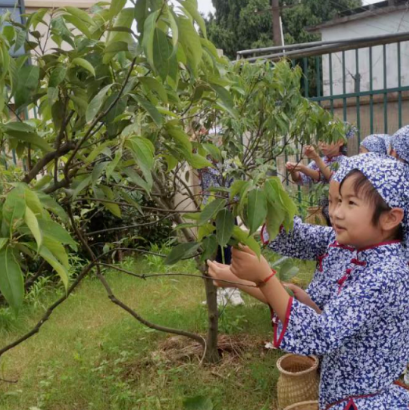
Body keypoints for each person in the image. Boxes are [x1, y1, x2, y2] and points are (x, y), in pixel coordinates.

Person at [210, 156, 409, 410]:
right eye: (334, 201)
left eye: (350, 203)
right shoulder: (349, 245)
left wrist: (263, 276)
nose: (335, 212)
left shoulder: (386, 274)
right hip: (341, 391)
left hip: (364, 402)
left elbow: (320, 332)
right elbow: (297, 256)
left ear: (390, 218)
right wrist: (263, 203)